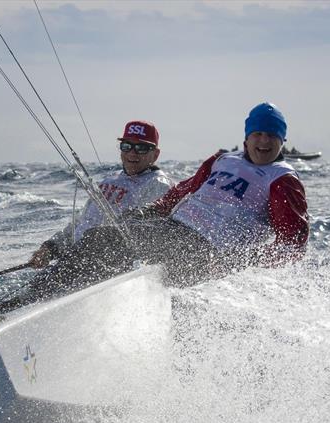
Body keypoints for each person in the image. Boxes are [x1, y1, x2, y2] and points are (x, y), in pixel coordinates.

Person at [19, 102, 308, 304]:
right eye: (258, 133)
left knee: (107, 243)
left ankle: (35, 300)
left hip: (206, 250)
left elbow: (292, 244)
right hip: (175, 229)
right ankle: (41, 296)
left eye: (272, 135)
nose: (264, 141)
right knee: (105, 235)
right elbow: (183, 190)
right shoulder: (222, 160)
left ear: (282, 140)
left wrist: (238, 264)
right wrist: (149, 212)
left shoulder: (282, 181)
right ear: (247, 136)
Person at [27, 120, 174, 270]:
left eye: (141, 148)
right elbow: (81, 222)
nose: (132, 153)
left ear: (155, 154)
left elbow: (147, 235)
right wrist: (50, 248)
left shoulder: (158, 184)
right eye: (126, 146)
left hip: (107, 267)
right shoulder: (109, 180)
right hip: (74, 259)